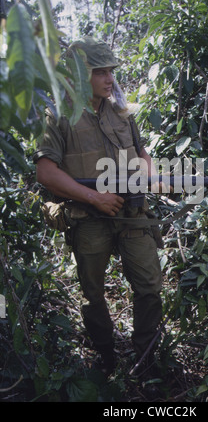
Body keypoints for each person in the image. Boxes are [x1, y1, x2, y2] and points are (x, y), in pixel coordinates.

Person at [33, 37, 163, 377]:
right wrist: (94, 198)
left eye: (110, 72)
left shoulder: (121, 112)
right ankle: (106, 359)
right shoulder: (58, 116)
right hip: (88, 217)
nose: (109, 79)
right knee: (93, 294)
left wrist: (151, 176)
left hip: (132, 215)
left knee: (149, 287)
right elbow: (46, 171)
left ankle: (146, 359)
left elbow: (141, 151)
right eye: (99, 72)